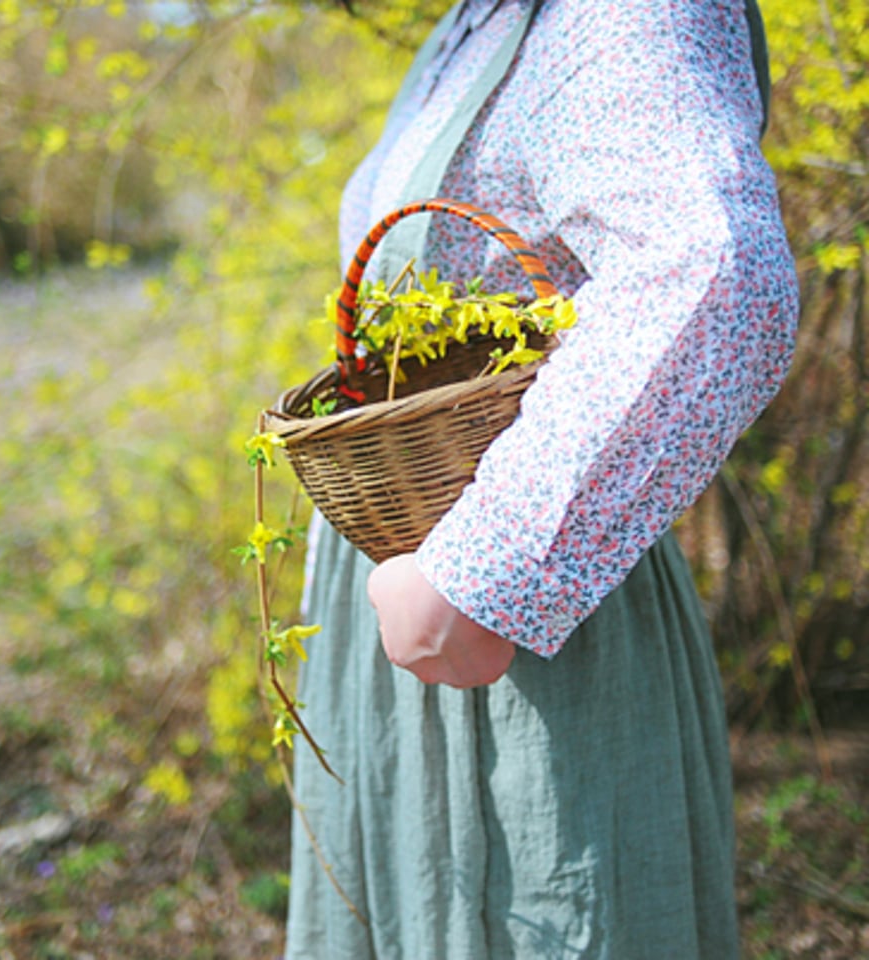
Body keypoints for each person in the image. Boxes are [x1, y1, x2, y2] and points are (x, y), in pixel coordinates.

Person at [287, 0, 799, 957]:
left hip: (521, 639)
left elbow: (715, 273)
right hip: (408, 605)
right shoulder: (471, 24)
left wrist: (476, 580)